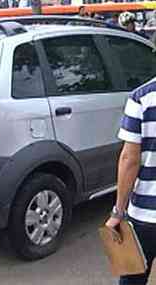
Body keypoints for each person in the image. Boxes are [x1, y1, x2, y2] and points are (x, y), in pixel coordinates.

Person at [106, 78, 156, 285]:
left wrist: (118, 212)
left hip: (143, 215)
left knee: (132, 278)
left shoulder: (142, 97)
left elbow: (129, 159)